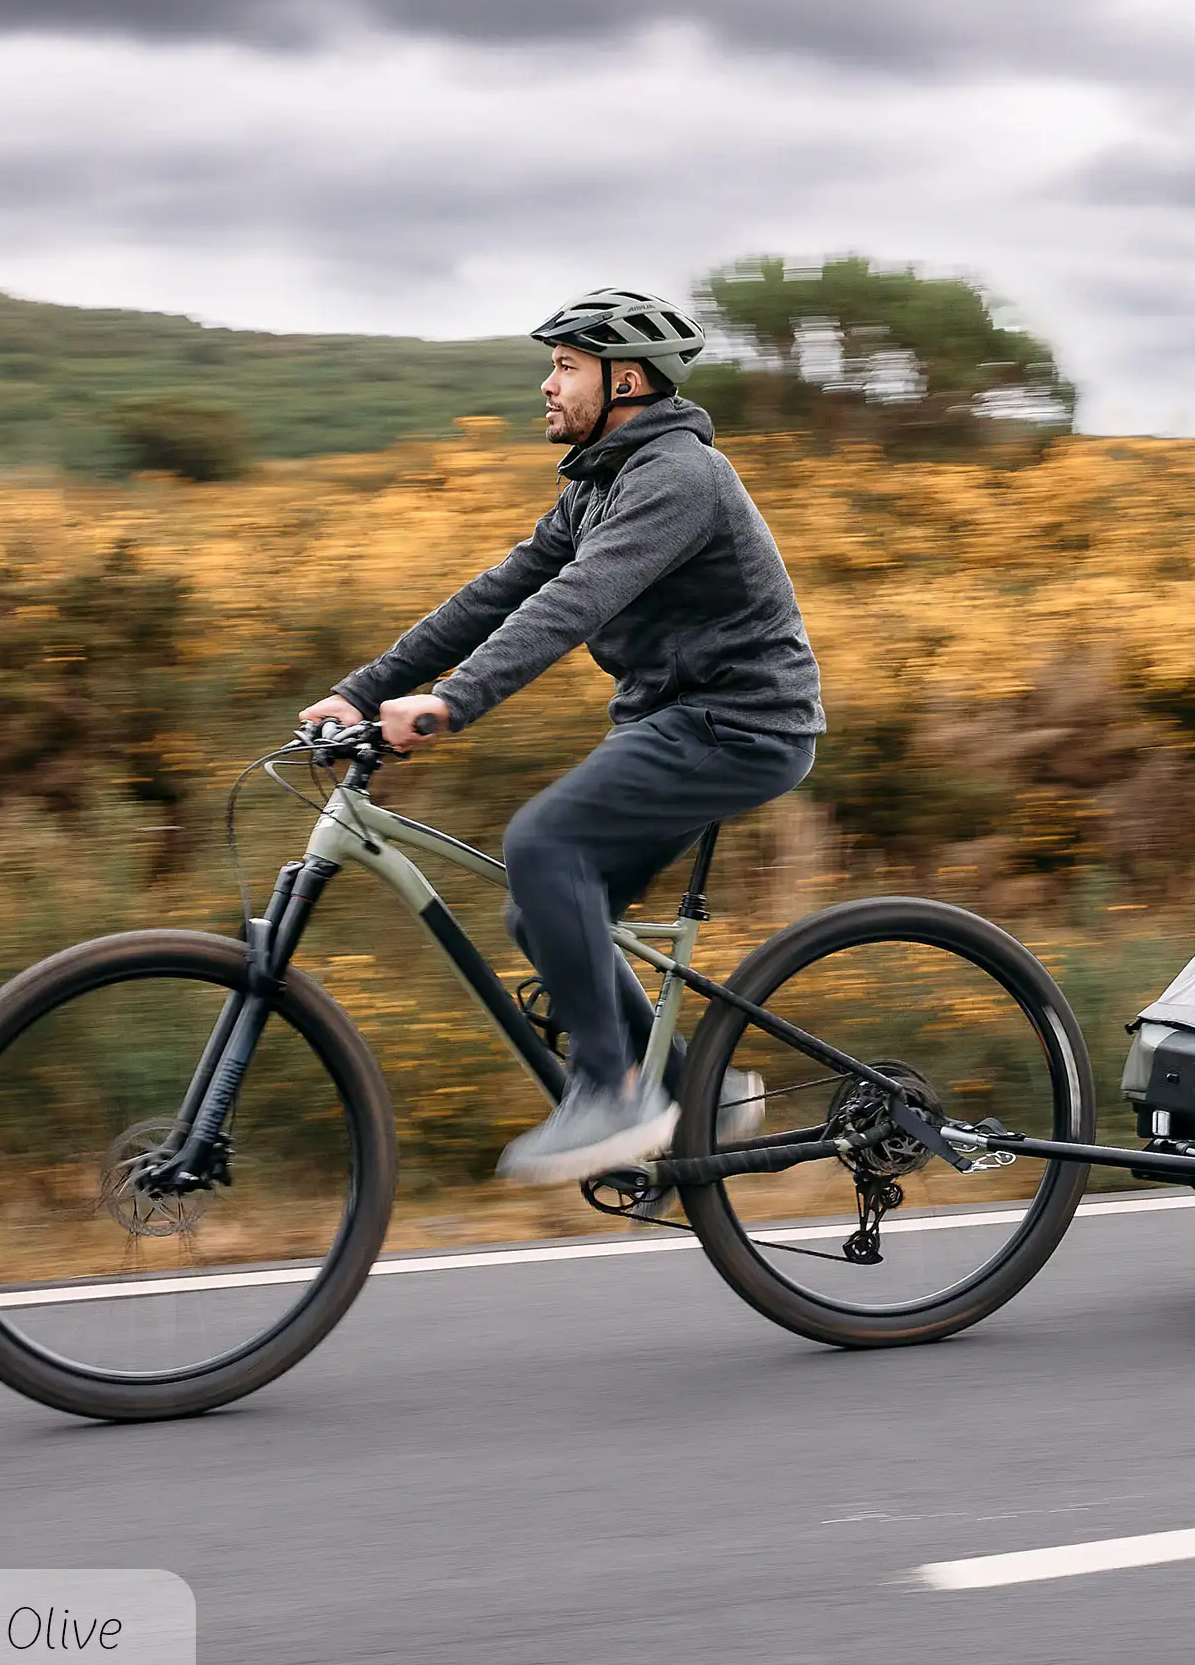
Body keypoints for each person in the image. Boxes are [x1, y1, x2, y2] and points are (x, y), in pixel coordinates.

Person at [298, 287, 823, 1184]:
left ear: (627, 381)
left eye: (566, 367)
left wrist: (450, 703)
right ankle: (695, 1090)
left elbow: (571, 604)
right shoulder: (599, 485)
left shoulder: (679, 478)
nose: (547, 385)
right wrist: (362, 691)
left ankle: (615, 1092)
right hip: (675, 721)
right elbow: (495, 595)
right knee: (540, 903)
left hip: (742, 722)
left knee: (543, 846)